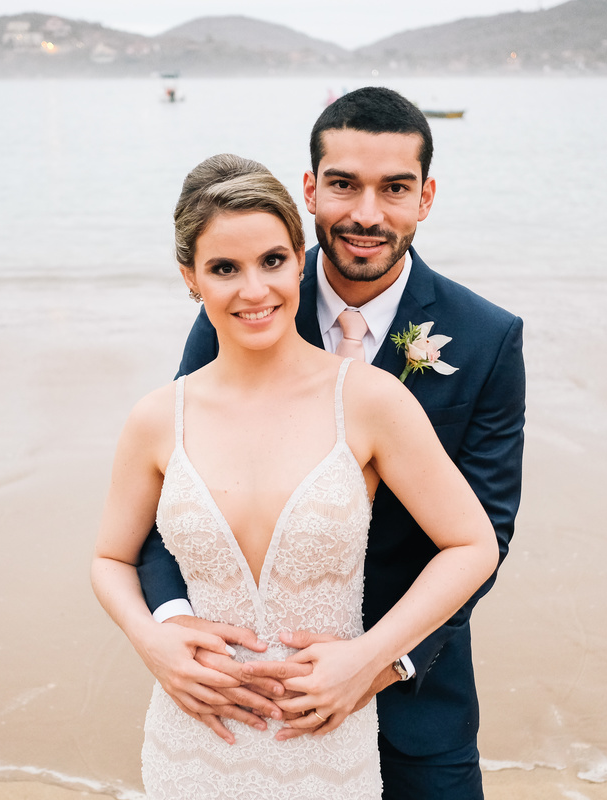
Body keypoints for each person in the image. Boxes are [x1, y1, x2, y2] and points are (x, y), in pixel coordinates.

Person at [135, 87, 526, 798]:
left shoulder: (487, 339)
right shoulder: (245, 303)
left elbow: (484, 533)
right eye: (343, 185)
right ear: (311, 189)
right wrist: (169, 627)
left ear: (425, 197)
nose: (366, 214)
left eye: (395, 188)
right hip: (250, 702)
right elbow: (176, 493)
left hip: (418, 695)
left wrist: (380, 663)